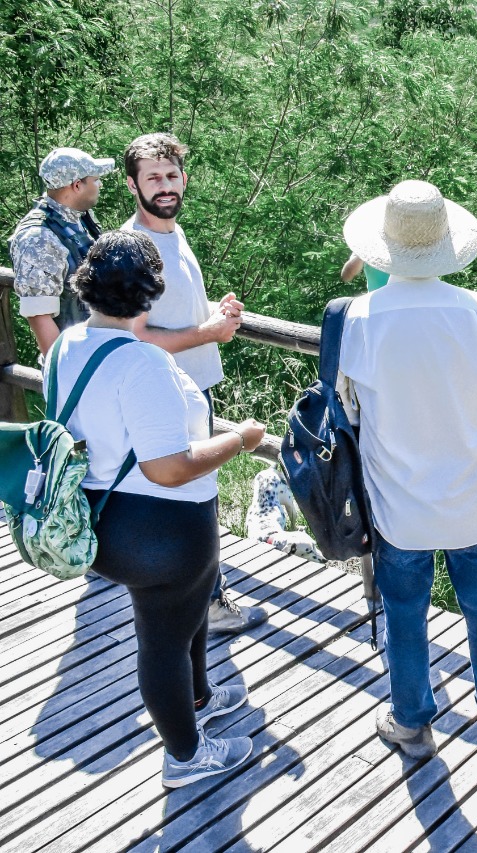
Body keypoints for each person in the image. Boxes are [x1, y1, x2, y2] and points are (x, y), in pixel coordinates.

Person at [51, 230, 267, 787]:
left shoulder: (64, 348)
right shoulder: (141, 363)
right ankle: (185, 755)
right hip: (161, 528)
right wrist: (240, 438)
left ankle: (199, 696)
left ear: (86, 285)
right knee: (162, 642)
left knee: (182, 613)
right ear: (151, 295)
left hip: (100, 517)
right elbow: (166, 467)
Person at [337, 179, 477, 760]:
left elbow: (349, 405)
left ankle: (412, 719)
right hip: (469, 492)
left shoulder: (360, 317)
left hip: (397, 500)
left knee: (404, 610)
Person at [120, 132, 266, 635]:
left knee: (197, 496)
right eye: (153, 178)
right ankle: (206, 605)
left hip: (191, 386)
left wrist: (212, 314)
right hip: (166, 392)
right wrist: (208, 332)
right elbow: (135, 336)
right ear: (132, 184)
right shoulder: (135, 247)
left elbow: (168, 314)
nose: (165, 186)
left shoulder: (172, 233)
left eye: (171, 175)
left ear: (184, 177)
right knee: (192, 498)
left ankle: (198, 598)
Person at [8, 147, 115, 354]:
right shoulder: (39, 238)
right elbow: (40, 316)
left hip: (95, 350)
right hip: (74, 359)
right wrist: (63, 371)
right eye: (95, 179)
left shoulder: (78, 218)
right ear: (77, 185)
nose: (100, 184)